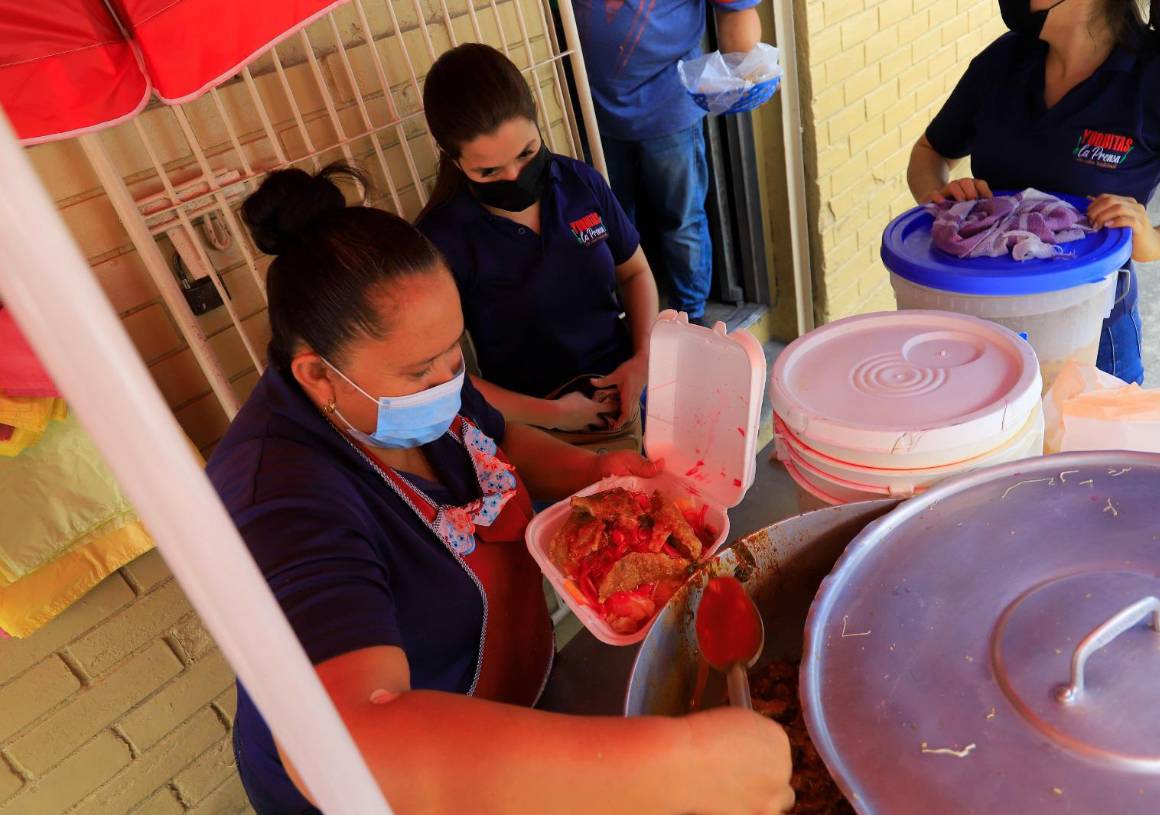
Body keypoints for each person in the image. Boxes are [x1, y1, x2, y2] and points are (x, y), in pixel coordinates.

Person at [207, 163, 793, 814]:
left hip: (507, 716)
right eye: (421, 370)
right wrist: (670, 768)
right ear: (317, 374)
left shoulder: (405, 389)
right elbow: (347, 740)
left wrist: (596, 474)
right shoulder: (277, 495)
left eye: (454, 355)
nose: (448, 380)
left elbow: (497, 442)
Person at [907, 0, 1160, 384]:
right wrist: (942, 201)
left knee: (1089, 443)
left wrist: (1159, 242)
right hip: (982, 326)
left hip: (1091, 336)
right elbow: (929, 152)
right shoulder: (1003, 62)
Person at [418, 44, 656, 451]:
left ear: (537, 123)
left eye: (527, 153)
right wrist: (555, 415)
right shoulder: (442, 241)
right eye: (488, 171)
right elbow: (442, 371)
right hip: (533, 421)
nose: (515, 176)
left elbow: (635, 272)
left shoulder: (580, 183)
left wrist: (643, 360)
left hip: (630, 388)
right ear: (454, 162)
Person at [571, 0, 762, 325]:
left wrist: (750, 73)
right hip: (591, 108)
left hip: (670, 105)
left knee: (681, 220)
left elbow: (738, 10)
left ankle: (691, 317)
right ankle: (625, 314)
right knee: (608, 221)